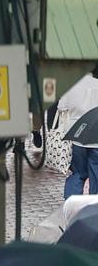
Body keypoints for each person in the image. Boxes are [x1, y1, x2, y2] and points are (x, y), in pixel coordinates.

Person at [59, 64, 98, 197]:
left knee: (77, 172)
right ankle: (94, 206)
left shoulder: (72, 84)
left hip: (77, 134)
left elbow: (61, 107)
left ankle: (71, 202)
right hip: (96, 136)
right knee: (96, 173)